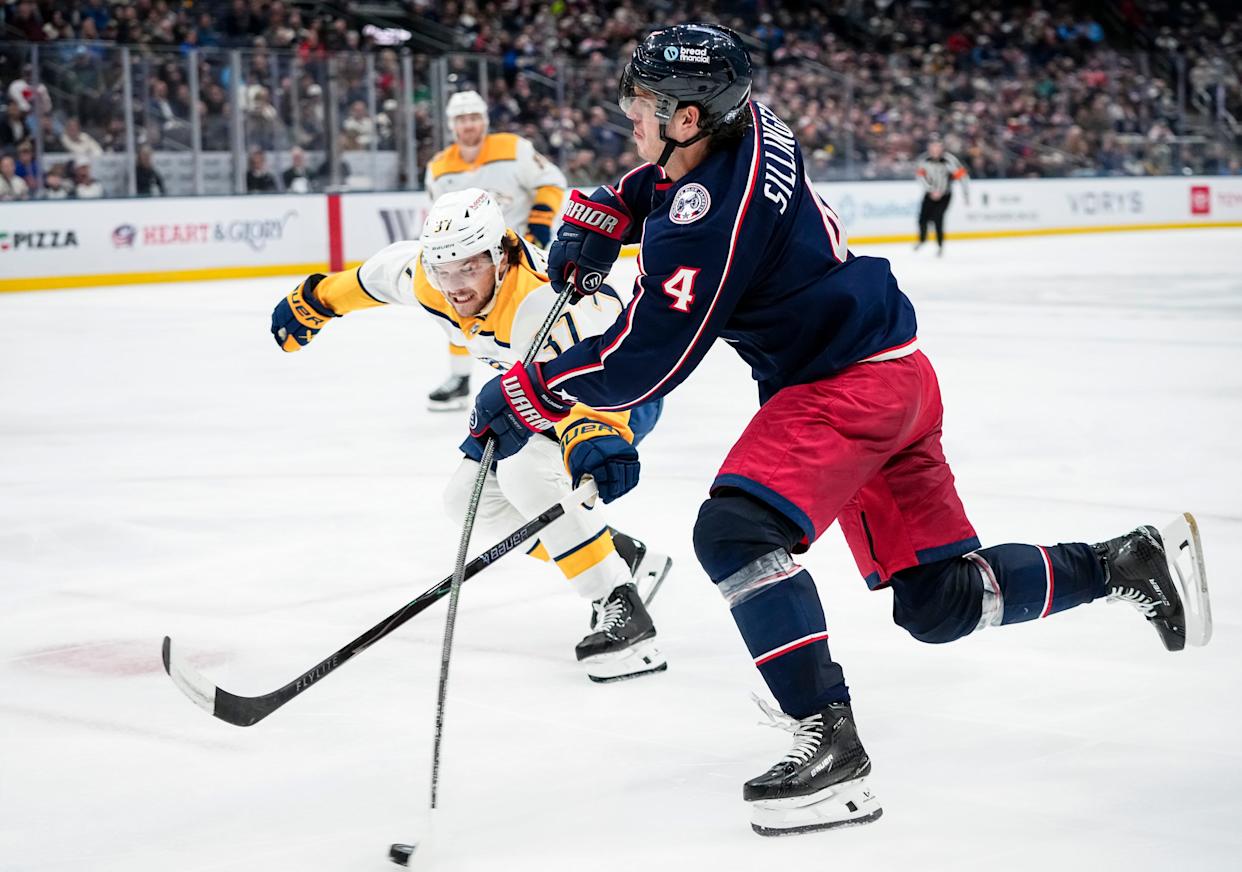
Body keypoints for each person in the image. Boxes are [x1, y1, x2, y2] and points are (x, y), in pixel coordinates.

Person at [463, 24, 1211, 836]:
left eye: (643, 103)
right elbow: (676, 184)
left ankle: (831, 746)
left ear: (688, 117)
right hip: (897, 373)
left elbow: (645, 360)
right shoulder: (754, 122)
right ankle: (1122, 562)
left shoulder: (703, 224)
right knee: (940, 603)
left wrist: (530, 391)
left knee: (733, 532)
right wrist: (617, 202)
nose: (628, 115)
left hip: (843, 387)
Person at [268, 187, 673, 682]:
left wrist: (591, 434)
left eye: (469, 268)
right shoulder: (432, 280)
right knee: (467, 502)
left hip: (616, 395)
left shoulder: (540, 303)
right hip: (536, 393)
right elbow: (377, 278)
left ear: (500, 257)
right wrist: (317, 300)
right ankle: (617, 554)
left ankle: (623, 610)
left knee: (525, 472)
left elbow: (603, 377)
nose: (455, 286)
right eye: (444, 270)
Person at [422, 90, 567, 413]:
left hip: (521, 250)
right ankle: (461, 378)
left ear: (485, 121)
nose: (468, 125)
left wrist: (540, 222)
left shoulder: (513, 148)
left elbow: (551, 181)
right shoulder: (439, 167)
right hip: (472, 261)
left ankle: (544, 382)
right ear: (451, 125)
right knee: (460, 309)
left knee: (533, 316)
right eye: (461, 119)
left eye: (474, 117)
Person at [914, 140, 969, 256]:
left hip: (945, 195)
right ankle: (922, 239)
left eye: (937, 147)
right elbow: (920, 177)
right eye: (932, 147)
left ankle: (940, 245)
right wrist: (931, 190)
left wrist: (965, 194)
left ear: (941, 148)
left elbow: (962, 176)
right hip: (929, 194)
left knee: (938, 218)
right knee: (922, 218)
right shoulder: (923, 160)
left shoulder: (950, 160)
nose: (935, 150)